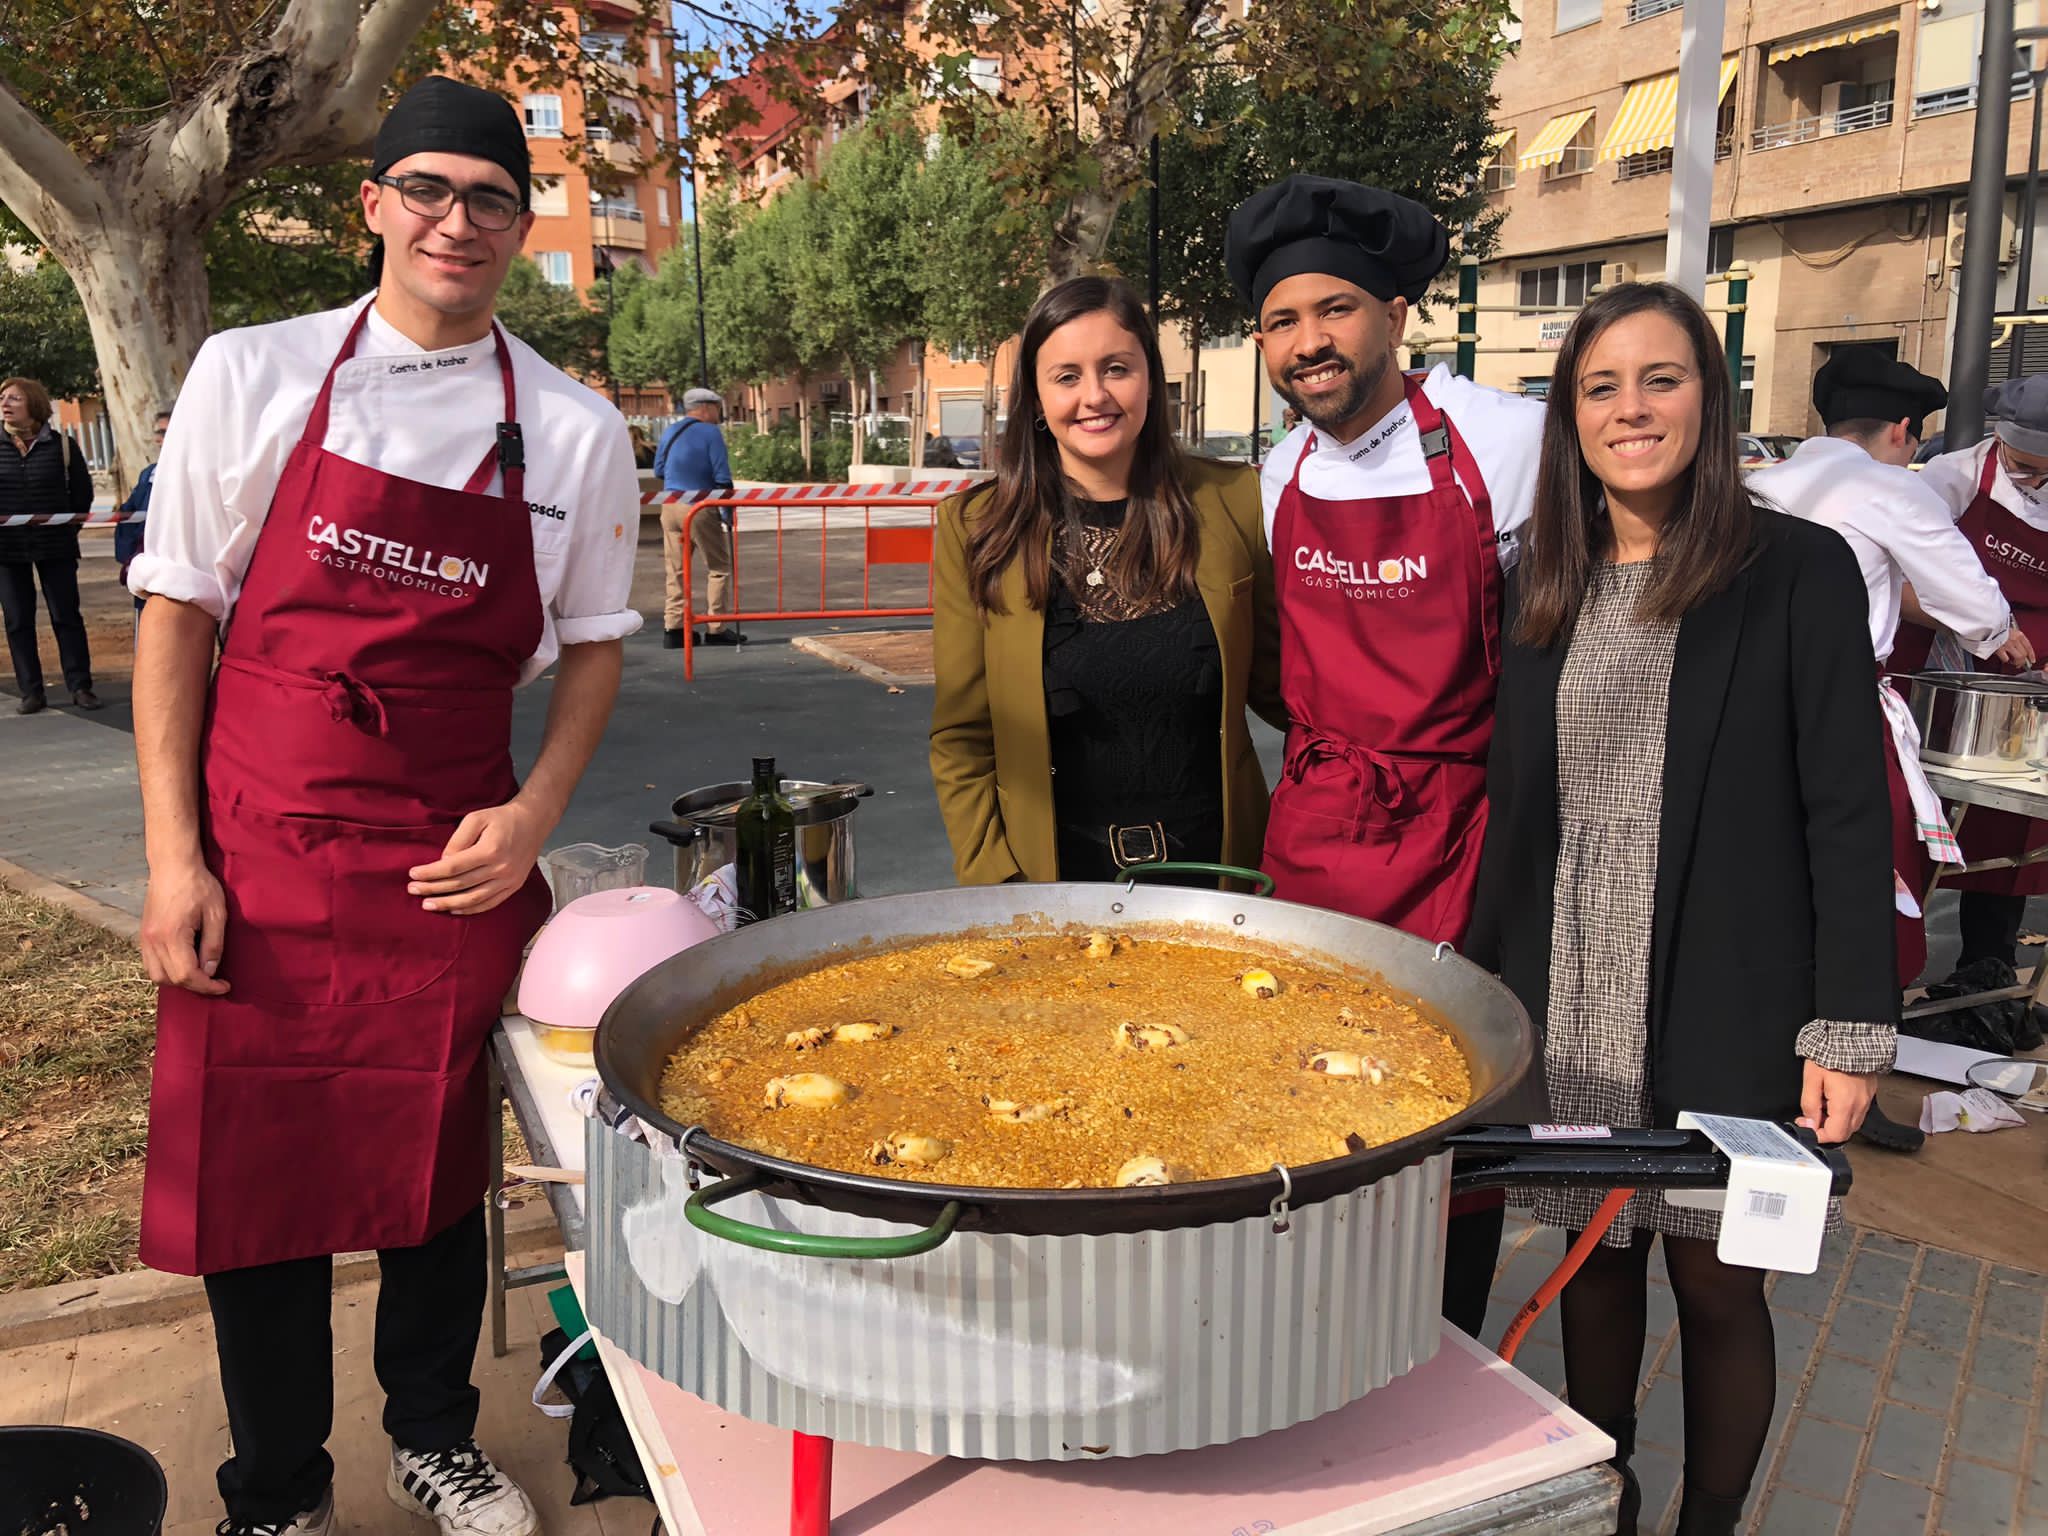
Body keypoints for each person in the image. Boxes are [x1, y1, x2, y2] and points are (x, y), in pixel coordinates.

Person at [127, 76, 640, 1536]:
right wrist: (176, 861)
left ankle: (436, 1437)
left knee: (432, 1182)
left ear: (520, 222)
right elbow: (176, 616)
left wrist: (536, 810)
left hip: (447, 861)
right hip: (261, 853)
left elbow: (596, 643)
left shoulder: (574, 426)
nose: (455, 221)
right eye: (425, 188)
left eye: (489, 196)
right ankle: (276, 1487)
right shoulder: (255, 371)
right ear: (373, 205)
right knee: (262, 1186)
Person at [1469, 283, 1894, 1536]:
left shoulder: (1792, 572)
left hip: (1730, 988)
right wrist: (1480, 993)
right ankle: (1611, 1498)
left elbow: (1843, 811)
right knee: (1593, 1274)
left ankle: (1708, 1521)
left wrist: (1848, 1029)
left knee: (1717, 1291)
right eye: (1599, 388)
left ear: (1709, 397)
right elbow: (1514, 811)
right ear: (1570, 420)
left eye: (1660, 378)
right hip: (1573, 994)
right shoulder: (1539, 578)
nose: (1630, 408)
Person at [1225, 174, 1548, 1339]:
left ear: (1395, 313)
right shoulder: (1279, 477)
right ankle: (1310, 1335)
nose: (1307, 342)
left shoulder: (1508, 445)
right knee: (1301, 1088)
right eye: (1279, 321)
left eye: (1333, 310)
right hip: (1319, 831)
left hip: (1461, 831)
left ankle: (1441, 1341)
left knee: (1446, 1111)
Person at [930, 275, 1282, 883]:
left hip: (1220, 875)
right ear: (1036, 399)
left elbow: (1288, 694)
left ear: (1150, 378)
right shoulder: (977, 528)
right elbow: (963, 736)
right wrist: (998, 885)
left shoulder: (1234, 500)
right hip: (1052, 884)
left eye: (1116, 368)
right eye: (1067, 376)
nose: (1094, 395)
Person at [1748, 350, 2021, 994]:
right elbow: (1973, 601)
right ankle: (1850, 1021)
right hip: (1837, 708)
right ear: (1902, 429)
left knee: (1760, 861)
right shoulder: (1891, 485)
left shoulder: (1758, 480)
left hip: (1742, 700)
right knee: (1857, 862)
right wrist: (2000, 635)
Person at [1914, 374, 2048, 974]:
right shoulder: (1954, 478)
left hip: (2034, 676)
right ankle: (1897, 963)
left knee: (2013, 823)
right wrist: (1984, 631)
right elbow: (1917, 575)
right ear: (1998, 439)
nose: (2034, 482)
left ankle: (1985, 966)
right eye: (2022, 468)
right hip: (1954, 663)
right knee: (1930, 815)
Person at [0, 377, 100, 713]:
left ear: (34, 404)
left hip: (56, 547)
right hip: (7, 551)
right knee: (17, 620)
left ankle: (80, 686)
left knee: (66, 616)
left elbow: (82, 496)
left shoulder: (63, 446)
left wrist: (67, 532)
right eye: (3, 397)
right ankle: (32, 692)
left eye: (14, 397)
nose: (5, 403)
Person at [654, 386, 744, 647]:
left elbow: (659, 469)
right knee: (719, 567)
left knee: (676, 569)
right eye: (716, 408)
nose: (718, 413)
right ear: (706, 408)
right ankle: (716, 627)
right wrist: (727, 513)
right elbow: (722, 478)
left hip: (670, 504)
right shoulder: (710, 433)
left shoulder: (671, 431)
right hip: (700, 505)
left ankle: (674, 628)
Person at [116, 407, 174, 621]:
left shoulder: (200, 473)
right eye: (160, 433)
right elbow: (128, 517)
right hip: (148, 569)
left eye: (169, 431)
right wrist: (130, 559)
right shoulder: (148, 474)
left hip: (182, 572)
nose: (163, 438)